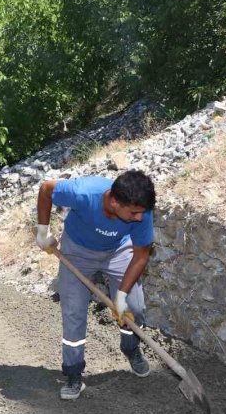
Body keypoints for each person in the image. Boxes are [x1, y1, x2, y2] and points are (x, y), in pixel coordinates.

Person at [35, 170, 156, 400]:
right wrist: (43, 232)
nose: (139, 218)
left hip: (118, 251)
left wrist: (121, 296)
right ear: (113, 201)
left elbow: (140, 256)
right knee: (74, 312)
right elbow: (46, 189)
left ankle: (131, 348)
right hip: (78, 252)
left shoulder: (142, 212)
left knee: (134, 307)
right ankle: (73, 373)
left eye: (141, 213)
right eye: (133, 213)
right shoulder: (83, 193)